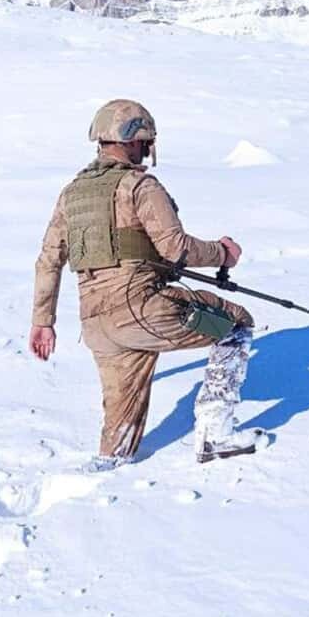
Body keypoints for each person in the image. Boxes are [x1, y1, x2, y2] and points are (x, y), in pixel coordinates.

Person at [29, 99, 257, 470]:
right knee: (236, 326)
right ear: (136, 139)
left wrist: (43, 321)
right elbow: (175, 248)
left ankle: (104, 473)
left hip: (97, 327)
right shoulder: (139, 186)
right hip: (144, 310)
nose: (149, 149)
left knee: (117, 440)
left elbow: (49, 260)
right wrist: (222, 253)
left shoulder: (71, 194)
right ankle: (216, 434)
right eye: (147, 140)